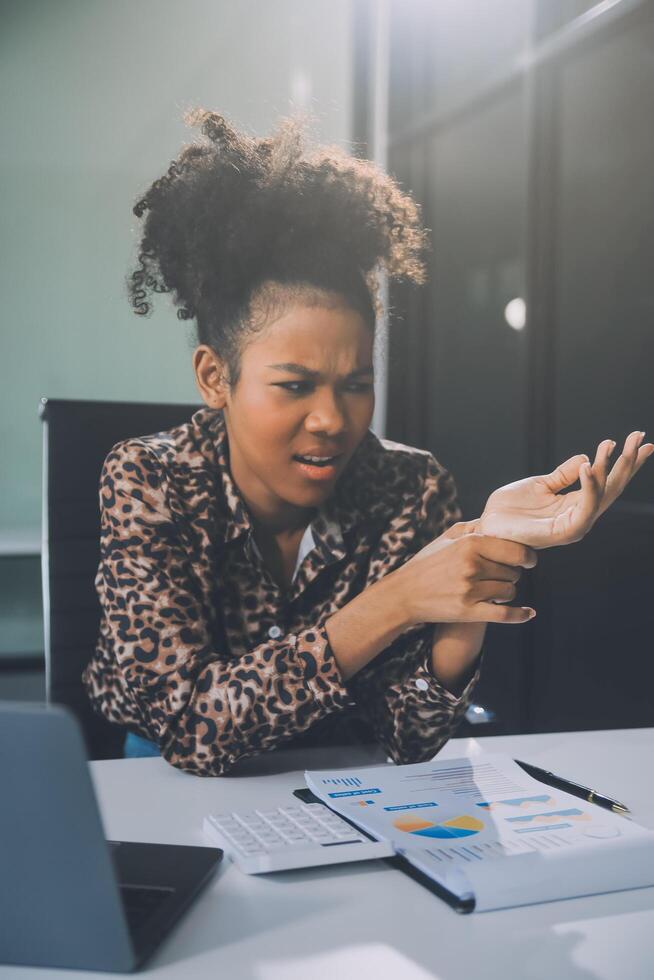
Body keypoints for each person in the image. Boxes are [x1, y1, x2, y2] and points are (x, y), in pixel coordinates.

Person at [82, 110, 653, 776]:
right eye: (295, 386)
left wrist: (485, 556)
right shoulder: (147, 479)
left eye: (355, 383)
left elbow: (408, 738)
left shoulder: (413, 487)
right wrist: (401, 598)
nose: (332, 419)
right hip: (159, 780)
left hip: (341, 776)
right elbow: (190, 731)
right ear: (215, 377)